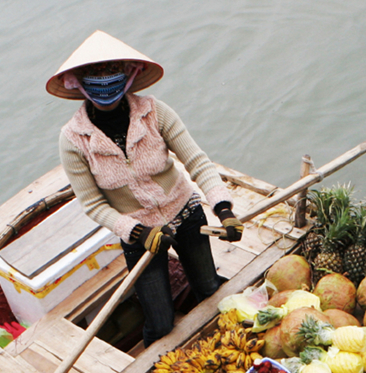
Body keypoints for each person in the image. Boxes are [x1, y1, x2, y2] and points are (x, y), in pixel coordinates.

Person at [47, 30, 242, 345]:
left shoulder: (155, 112)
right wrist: (139, 233)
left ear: (127, 74)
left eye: (112, 72)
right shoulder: (72, 140)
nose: (105, 80)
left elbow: (198, 162)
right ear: (80, 83)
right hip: (139, 235)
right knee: (160, 320)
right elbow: (94, 205)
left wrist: (224, 209)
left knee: (209, 287)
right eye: (95, 75)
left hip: (186, 214)